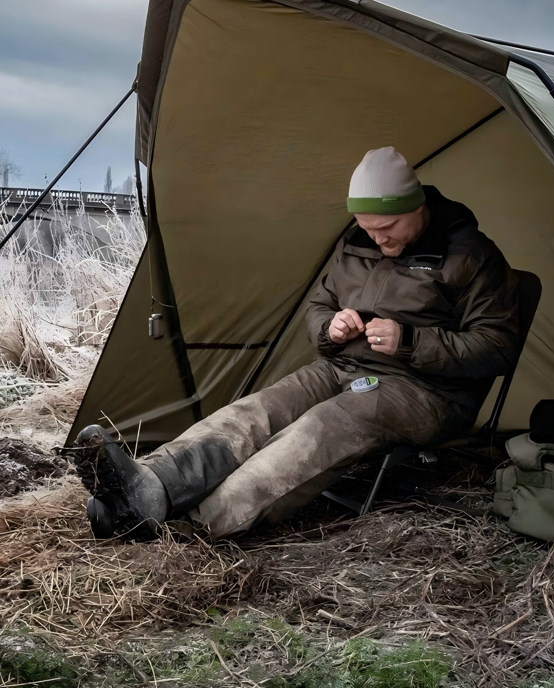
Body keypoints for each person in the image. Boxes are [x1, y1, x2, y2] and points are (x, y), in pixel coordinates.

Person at [72, 146, 519, 540]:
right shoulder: (357, 242)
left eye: (389, 227)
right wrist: (330, 328)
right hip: (343, 366)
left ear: (417, 205)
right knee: (260, 410)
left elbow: (496, 347)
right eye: (368, 227)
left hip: (424, 390)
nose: (380, 240)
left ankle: (191, 523)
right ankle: (150, 485)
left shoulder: (472, 257)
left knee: (318, 428)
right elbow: (319, 305)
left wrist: (411, 341)